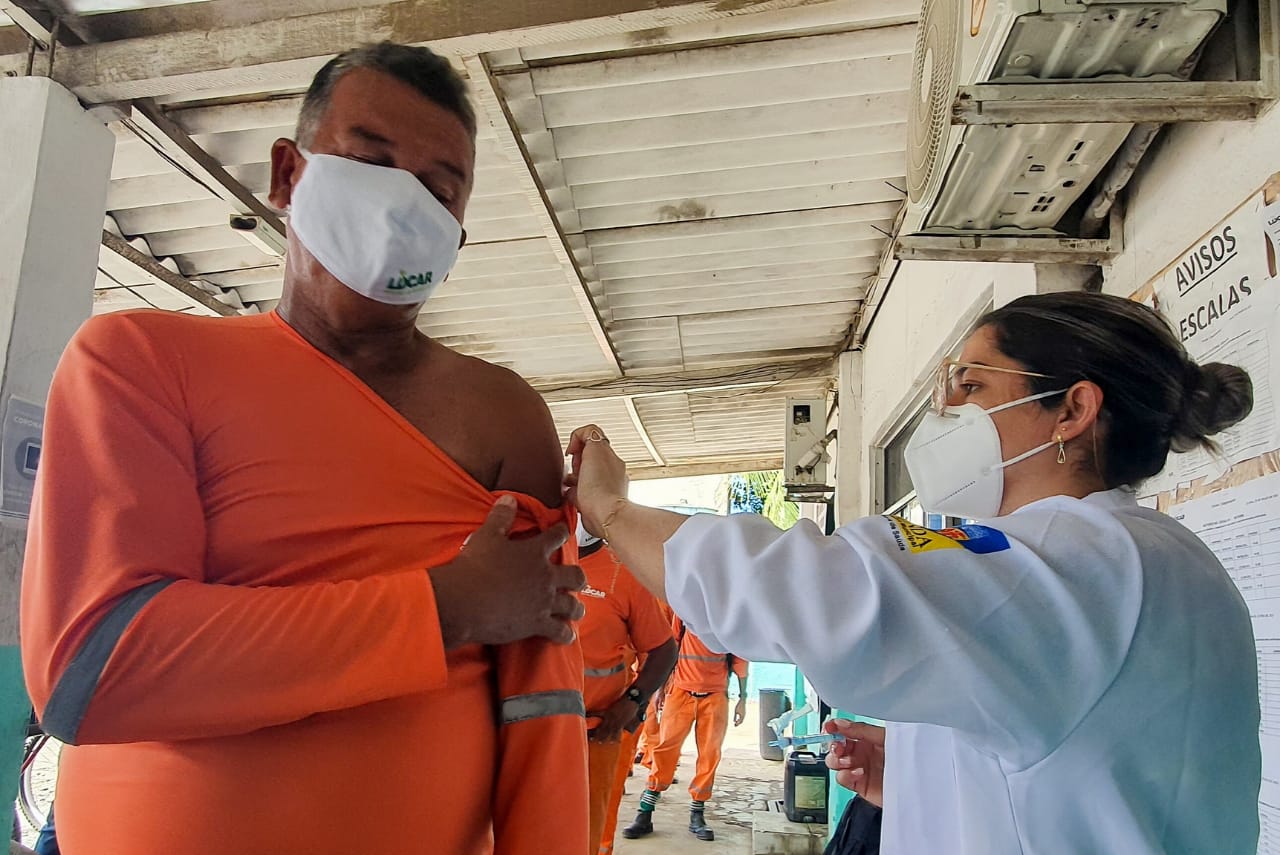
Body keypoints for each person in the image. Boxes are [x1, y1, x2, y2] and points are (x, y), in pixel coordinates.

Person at [21, 43, 591, 855]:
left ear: (458, 234)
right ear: (289, 174)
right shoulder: (140, 362)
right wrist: (443, 607)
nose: (403, 204)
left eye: (438, 189)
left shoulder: (501, 419)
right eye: (371, 159)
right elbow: (96, 670)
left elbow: (541, 707)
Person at [567, 291, 1263, 855]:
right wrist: (922, 775)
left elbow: (797, 590)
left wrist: (610, 510)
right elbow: (1081, 773)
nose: (946, 410)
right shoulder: (1156, 558)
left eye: (972, 383)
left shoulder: (1068, 558)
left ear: (1073, 410)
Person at [576, 526, 677, 855]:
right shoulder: (527, 563)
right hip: (530, 732)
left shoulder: (624, 575)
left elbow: (663, 649)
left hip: (596, 733)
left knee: (591, 832)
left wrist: (634, 700)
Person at [623, 616, 748, 842]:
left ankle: (697, 814)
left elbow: (740, 659)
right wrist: (661, 689)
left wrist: (743, 698)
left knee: (710, 755)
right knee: (664, 751)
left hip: (715, 696)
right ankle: (645, 813)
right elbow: (671, 649)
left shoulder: (727, 617)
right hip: (681, 692)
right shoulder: (683, 614)